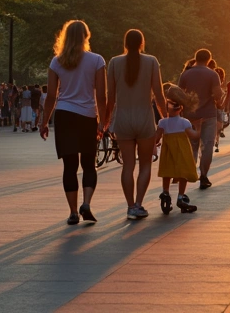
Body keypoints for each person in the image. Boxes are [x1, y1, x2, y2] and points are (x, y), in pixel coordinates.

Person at [41, 20, 107, 225]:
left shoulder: (57, 61)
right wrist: (102, 122)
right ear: (87, 36)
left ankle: (72, 212)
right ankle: (86, 203)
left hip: (64, 115)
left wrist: (44, 122)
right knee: (89, 163)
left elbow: (51, 95)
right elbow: (101, 95)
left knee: (69, 166)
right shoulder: (97, 60)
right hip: (87, 116)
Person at [106, 29, 165, 220]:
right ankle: (139, 203)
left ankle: (130, 205)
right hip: (145, 118)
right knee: (145, 164)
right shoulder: (151, 62)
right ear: (142, 43)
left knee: (128, 166)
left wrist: (105, 121)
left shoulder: (114, 63)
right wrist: (164, 118)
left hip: (123, 118)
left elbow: (110, 97)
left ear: (125, 43)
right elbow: (158, 94)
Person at [179, 49, 223, 189]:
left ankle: (190, 173)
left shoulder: (186, 74)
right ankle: (203, 176)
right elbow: (217, 95)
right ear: (209, 60)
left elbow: (179, 93)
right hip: (208, 114)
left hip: (190, 115)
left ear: (195, 58)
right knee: (207, 146)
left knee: (192, 145)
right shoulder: (213, 74)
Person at [156, 101, 199, 214]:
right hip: (182, 152)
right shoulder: (185, 122)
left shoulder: (162, 122)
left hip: (168, 151)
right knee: (183, 173)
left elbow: (156, 138)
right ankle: (180, 196)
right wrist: (199, 128)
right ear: (181, 109)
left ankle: (165, 193)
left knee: (167, 172)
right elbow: (193, 135)